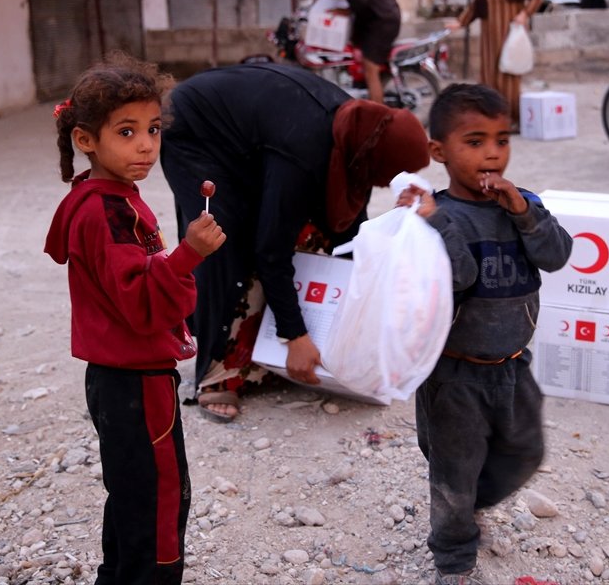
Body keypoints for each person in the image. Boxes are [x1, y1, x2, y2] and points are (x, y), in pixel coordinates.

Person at [44, 55, 226, 585]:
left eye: (151, 129)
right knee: (159, 499)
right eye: (126, 132)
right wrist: (189, 254)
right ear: (86, 139)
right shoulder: (109, 212)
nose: (146, 145)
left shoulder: (102, 199)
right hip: (136, 379)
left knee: (131, 493)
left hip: (113, 377)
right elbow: (140, 302)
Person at [161, 63, 430, 421]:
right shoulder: (307, 146)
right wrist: (296, 336)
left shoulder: (359, 132)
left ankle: (262, 352)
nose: (379, 185)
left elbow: (349, 229)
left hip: (252, 135)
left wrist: (364, 303)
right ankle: (216, 373)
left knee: (306, 226)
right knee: (223, 238)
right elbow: (271, 250)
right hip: (195, 129)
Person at [395, 83, 572, 585]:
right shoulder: (434, 215)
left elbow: (556, 256)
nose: (492, 153)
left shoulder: (524, 204)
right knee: (452, 468)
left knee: (526, 450)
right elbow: (459, 276)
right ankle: (454, 558)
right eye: (474, 142)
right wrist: (434, 221)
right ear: (439, 152)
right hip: (454, 371)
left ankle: (471, 501)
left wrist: (523, 211)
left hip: (513, 362)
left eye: (502, 139)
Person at [446, 0, 542, 125]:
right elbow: (475, 7)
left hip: (509, 37)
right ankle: (494, 120)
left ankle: (512, 118)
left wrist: (524, 14)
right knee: (490, 77)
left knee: (508, 78)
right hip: (490, 40)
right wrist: (460, 22)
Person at [314, 0, 402, 105]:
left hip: (381, 22)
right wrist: (314, 4)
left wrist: (343, 11)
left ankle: (378, 115)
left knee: (370, 69)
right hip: (386, 16)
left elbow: (360, 3)